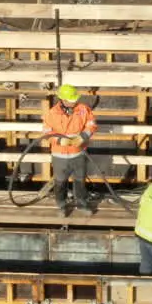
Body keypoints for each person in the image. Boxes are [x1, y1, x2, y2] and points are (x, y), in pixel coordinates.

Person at [41, 83, 99, 216]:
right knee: (60, 182)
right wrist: (60, 140)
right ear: (63, 100)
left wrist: (83, 136)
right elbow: (47, 132)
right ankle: (61, 205)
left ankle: (81, 204)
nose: (75, 102)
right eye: (72, 100)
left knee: (80, 180)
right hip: (60, 155)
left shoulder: (83, 109)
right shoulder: (52, 114)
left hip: (78, 153)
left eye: (75, 99)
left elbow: (91, 124)